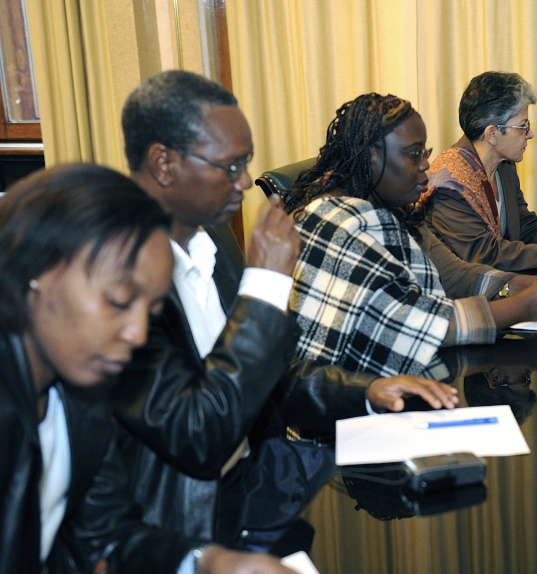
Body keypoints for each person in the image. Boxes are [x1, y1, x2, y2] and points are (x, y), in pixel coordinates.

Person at [112, 71, 458, 556]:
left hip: (257, 499)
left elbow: (267, 378)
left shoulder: (212, 244)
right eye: (230, 166)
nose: (245, 182)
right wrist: (266, 285)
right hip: (185, 533)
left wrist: (367, 391)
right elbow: (199, 433)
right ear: (164, 164)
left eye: (246, 164)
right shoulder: (117, 283)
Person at [0, 163, 296, 574]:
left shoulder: (81, 393)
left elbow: (105, 533)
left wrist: (208, 561)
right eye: (120, 301)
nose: (138, 334)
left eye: (153, 310)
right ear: (33, 271)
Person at [283, 93, 537, 378]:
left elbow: (454, 275)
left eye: (424, 153)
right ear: (371, 156)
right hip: (345, 415)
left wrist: (521, 284)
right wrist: (524, 306)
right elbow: (412, 327)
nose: (426, 164)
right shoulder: (340, 224)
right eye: (414, 154)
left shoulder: (391, 208)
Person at [423, 71, 537, 271]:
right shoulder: (448, 182)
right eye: (523, 126)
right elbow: (484, 254)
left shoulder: (504, 166)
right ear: (492, 134)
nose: (530, 134)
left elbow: (524, 224)